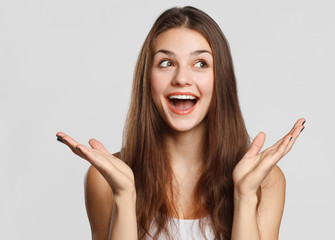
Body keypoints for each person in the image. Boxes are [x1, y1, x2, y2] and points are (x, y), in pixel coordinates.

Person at [56, 6, 305, 240]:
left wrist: (245, 195)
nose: (182, 78)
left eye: (200, 64)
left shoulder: (266, 180)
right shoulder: (104, 179)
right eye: (166, 63)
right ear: (147, 79)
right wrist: (124, 195)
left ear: (221, 79)